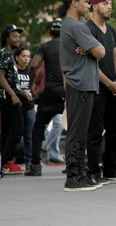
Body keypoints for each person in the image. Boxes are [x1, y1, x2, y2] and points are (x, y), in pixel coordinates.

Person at [58, 0, 106, 191]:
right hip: (80, 85)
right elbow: (101, 52)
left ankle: (80, 173)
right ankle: (74, 177)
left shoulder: (70, 25)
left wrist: (90, 49)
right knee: (77, 132)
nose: (89, 5)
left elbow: (95, 50)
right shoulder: (77, 26)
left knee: (80, 131)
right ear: (74, 2)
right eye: (86, 2)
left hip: (80, 84)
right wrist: (92, 49)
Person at [85, 0, 116, 186]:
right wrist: (109, 83)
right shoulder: (87, 29)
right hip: (96, 87)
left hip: (112, 87)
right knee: (95, 131)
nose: (109, 6)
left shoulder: (111, 30)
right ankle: (93, 171)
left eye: (110, 3)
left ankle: (112, 170)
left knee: (115, 130)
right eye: (105, 3)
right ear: (94, 6)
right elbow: (90, 65)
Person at [26, 19, 66, 176]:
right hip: (66, 93)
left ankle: (35, 165)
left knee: (38, 128)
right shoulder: (68, 47)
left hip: (49, 92)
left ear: (50, 32)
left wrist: (31, 85)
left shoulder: (45, 47)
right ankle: (75, 164)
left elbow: (34, 65)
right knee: (74, 127)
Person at [0, 24, 25, 175]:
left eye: (19, 35)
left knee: (8, 132)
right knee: (16, 131)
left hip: (11, 96)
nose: (18, 38)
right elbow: (0, 76)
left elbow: (11, 80)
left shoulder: (10, 55)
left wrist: (22, 91)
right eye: (14, 35)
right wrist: (13, 95)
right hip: (7, 99)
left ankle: (2, 163)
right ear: (7, 38)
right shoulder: (4, 53)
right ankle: (3, 161)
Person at [14, 46, 35, 169]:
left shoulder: (30, 71)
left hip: (30, 106)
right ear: (17, 57)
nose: (26, 59)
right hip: (17, 106)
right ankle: (11, 160)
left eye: (28, 56)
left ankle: (29, 163)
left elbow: (33, 87)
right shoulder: (13, 71)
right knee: (17, 134)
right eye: (23, 56)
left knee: (29, 136)